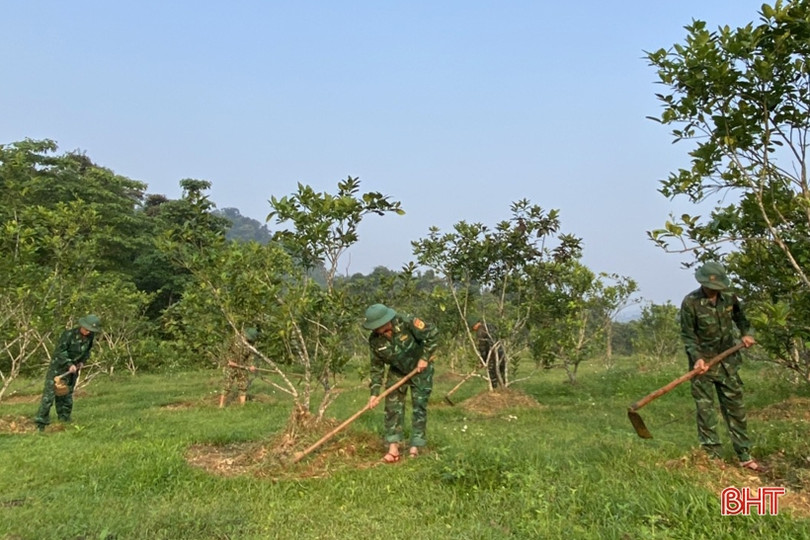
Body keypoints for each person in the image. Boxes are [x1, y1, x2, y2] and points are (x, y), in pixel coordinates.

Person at [679, 261, 759, 470]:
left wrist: (747, 334)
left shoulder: (730, 298)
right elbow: (688, 336)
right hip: (702, 366)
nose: (713, 290)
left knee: (736, 409)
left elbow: (743, 320)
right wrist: (697, 358)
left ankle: (745, 456)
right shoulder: (691, 302)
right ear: (702, 283)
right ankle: (713, 458)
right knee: (705, 410)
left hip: (728, 363)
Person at [364, 303, 438, 462]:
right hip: (397, 371)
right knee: (392, 408)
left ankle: (415, 447)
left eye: (378, 326)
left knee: (419, 406)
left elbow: (433, 333)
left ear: (386, 321)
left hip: (421, 369)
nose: (376, 330)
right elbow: (376, 367)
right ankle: (393, 449)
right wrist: (374, 394)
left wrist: (424, 358)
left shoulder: (406, 321)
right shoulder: (375, 340)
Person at [35, 314, 102, 432]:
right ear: (82, 326)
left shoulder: (90, 337)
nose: (88, 332)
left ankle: (64, 419)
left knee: (66, 394)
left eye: (90, 330)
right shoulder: (68, 335)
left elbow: (87, 351)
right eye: (86, 329)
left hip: (73, 371)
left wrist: (82, 362)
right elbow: (60, 351)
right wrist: (69, 363)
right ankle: (41, 422)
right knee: (48, 397)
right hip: (58, 369)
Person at [219, 327, 258, 408]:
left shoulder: (252, 344)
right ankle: (221, 405)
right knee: (227, 385)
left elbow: (251, 356)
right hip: (230, 366)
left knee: (243, 386)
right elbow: (225, 350)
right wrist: (229, 360)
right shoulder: (234, 339)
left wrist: (251, 365)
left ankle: (242, 406)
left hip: (242, 366)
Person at [468, 316, 506, 388]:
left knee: (492, 372)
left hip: (492, 353)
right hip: (501, 350)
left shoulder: (480, 331)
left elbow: (482, 347)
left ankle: (494, 391)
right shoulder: (490, 326)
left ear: (476, 324)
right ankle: (503, 388)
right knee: (501, 371)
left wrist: (483, 361)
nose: (474, 330)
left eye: (473, 328)